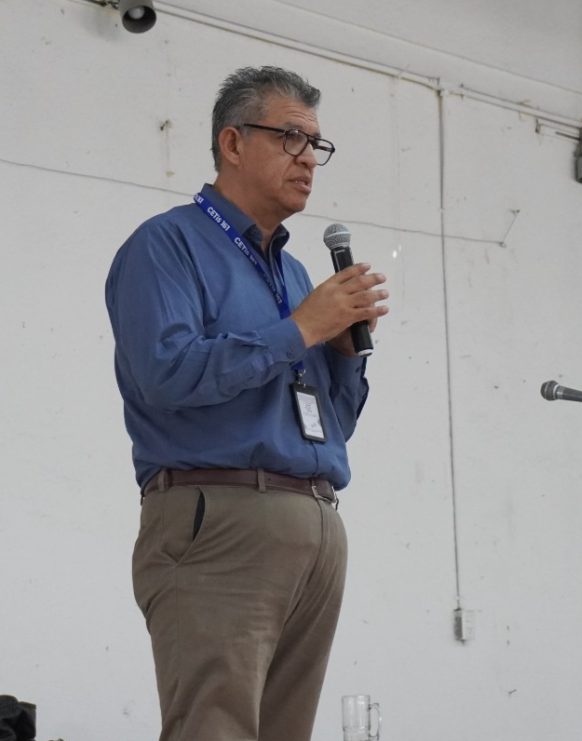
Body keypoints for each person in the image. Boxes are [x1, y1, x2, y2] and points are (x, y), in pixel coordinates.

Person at [105, 66, 388, 741]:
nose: (308, 159)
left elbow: (330, 425)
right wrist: (303, 329)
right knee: (216, 729)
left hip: (314, 515)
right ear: (232, 143)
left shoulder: (291, 273)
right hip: (220, 520)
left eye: (316, 144)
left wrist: (344, 355)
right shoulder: (166, 245)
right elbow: (165, 374)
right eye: (291, 137)